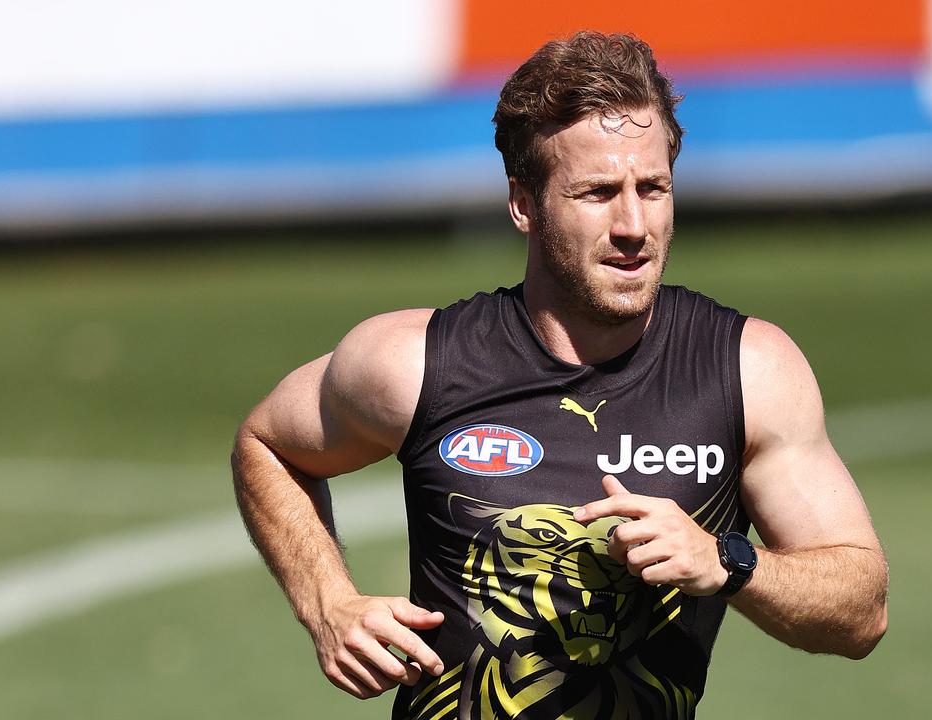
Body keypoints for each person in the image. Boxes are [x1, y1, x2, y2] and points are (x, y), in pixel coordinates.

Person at [232, 30, 887, 719]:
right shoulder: (416, 363)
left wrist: (726, 562)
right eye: (598, 193)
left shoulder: (748, 371)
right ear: (525, 203)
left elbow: (861, 610)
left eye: (653, 188)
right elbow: (268, 444)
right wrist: (328, 605)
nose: (634, 223)